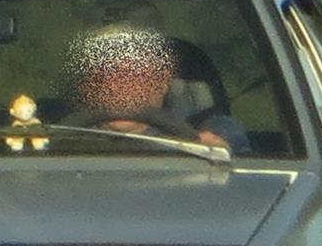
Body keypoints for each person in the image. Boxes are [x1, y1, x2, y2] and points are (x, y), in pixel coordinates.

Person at [60, 25, 247, 152]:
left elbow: (229, 145)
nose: (120, 85)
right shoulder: (50, 139)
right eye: (106, 73)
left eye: (135, 74)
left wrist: (206, 145)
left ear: (162, 83)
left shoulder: (206, 128)